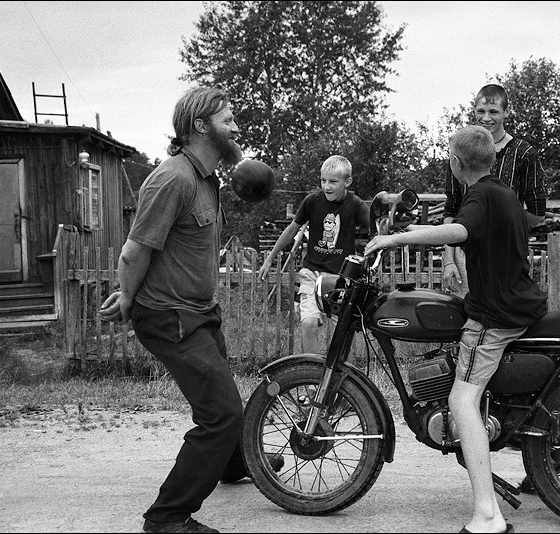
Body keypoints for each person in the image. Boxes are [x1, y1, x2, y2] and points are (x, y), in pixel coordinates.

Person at [99, 86, 280, 534]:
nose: (237, 126)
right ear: (201, 126)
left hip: (200, 311)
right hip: (169, 316)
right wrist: (125, 298)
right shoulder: (171, 179)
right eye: (229, 118)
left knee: (223, 400)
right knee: (222, 414)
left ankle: (231, 462)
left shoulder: (206, 180)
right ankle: (167, 516)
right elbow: (134, 252)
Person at [365, 125, 547, 533]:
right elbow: (464, 229)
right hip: (516, 303)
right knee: (467, 394)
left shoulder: (480, 196)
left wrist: (393, 241)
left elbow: (459, 231)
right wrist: (408, 233)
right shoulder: (501, 193)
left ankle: (487, 515)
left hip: (495, 315)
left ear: (455, 163)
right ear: (493, 158)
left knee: (462, 401)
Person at [442, 83, 548, 296]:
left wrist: (499, 227)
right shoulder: (461, 150)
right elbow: (451, 210)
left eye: (493, 111)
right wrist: (448, 261)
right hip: (464, 252)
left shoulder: (524, 153)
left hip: (505, 255)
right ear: (474, 111)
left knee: (497, 315)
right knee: (458, 317)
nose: (486, 118)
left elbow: (537, 213)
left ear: (506, 112)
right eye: (481, 111)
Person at [257, 155, 369, 354]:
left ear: (347, 182)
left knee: (340, 332)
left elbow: (376, 229)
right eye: (323, 180)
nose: (327, 186)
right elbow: (291, 230)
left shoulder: (356, 205)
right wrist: (269, 259)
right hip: (312, 274)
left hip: (341, 279)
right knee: (308, 323)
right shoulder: (312, 202)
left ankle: (343, 379)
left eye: (333, 182)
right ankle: (312, 380)